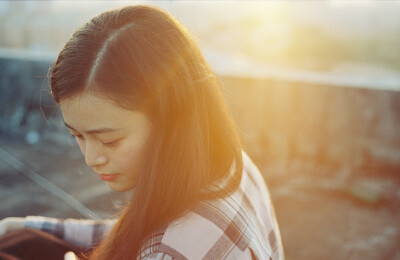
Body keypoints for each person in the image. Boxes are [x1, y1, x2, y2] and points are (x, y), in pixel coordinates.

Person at [0, 5, 284, 260]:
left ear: (172, 121)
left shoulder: (173, 251)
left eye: (110, 140)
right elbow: (137, 231)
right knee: (22, 240)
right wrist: (27, 226)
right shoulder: (231, 163)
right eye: (78, 136)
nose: (91, 158)